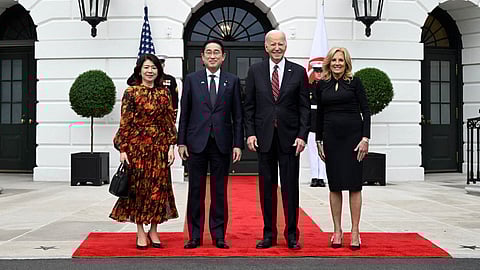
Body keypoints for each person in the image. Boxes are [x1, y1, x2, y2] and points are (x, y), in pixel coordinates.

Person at [244, 30, 310, 250]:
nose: (276, 47)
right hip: (264, 139)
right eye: (272, 44)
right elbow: (249, 106)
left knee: (290, 189)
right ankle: (268, 234)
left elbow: (304, 108)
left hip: (290, 140)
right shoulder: (255, 71)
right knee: (267, 189)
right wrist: (250, 133)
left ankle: (292, 234)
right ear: (266, 46)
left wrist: (302, 135)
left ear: (285, 46)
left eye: (280, 43)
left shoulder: (299, 72)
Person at [178, 39, 244, 249]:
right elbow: (184, 113)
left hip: (222, 143)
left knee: (219, 191)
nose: (212, 56)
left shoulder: (231, 81)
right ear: (202, 58)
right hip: (196, 143)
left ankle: (219, 235)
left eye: (217, 52)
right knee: (195, 190)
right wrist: (181, 142)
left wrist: (237, 144)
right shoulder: (191, 79)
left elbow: (238, 115)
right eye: (209, 52)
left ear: (223, 57)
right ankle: (195, 235)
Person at [110, 53, 178, 250]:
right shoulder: (131, 92)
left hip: (159, 149)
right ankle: (140, 230)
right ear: (139, 70)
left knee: (158, 189)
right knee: (139, 190)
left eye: (154, 68)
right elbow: (125, 122)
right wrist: (123, 149)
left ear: (159, 71)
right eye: (146, 67)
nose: (150, 71)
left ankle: (154, 230)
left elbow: (168, 122)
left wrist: (171, 146)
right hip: (136, 149)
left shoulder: (165, 93)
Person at [315, 47, 371, 250]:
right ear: (329, 62)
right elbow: (319, 114)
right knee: (335, 185)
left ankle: (355, 231)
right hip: (331, 140)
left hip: (354, 141)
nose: (337, 63)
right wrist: (318, 141)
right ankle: (337, 230)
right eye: (334, 60)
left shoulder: (354, 82)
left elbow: (366, 110)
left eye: (341, 60)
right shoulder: (322, 85)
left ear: (346, 62)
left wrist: (365, 138)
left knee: (355, 185)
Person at [308, 64, 327, 187]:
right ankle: (315, 176)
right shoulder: (309, 87)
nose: (319, 74)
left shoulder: (327, 86)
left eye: (321, 71)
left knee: (324, 150)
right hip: (311, 121)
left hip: (324, 121)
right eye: (316, 72)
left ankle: (322, 177)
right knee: (312, 150)